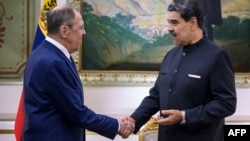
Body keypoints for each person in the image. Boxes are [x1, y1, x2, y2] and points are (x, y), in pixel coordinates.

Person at [123, 0, 237, 141]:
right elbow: (156, 96)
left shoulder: (217, 56)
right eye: (168, 22)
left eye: (175, 23)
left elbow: (226, 103)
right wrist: (134, 120)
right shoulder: (171, 55)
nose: (169, 28)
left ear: (193, 23)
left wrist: (184, 116)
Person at [22, 5, 133, 141]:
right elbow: (75, 113)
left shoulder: (43, 54)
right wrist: (117, 125)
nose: (84, 32)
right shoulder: (53, 62)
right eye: (80, 27)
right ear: (64, 31)